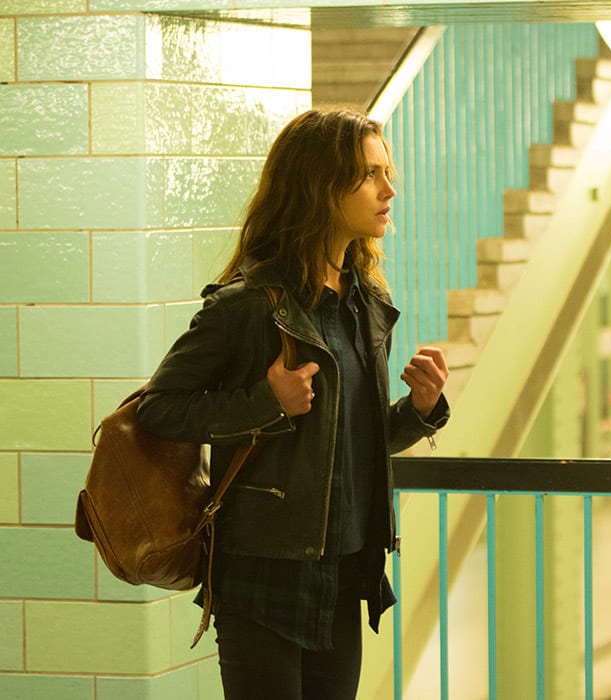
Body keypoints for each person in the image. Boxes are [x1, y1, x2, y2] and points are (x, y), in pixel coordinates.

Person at [137, 108, 450, 699]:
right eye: (370, 175)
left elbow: (350, 443)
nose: (389, 190)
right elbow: (159, 408)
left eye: (387, 172)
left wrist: (419, 409)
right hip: (263, 576)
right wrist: (267, 401)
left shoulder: (365, 302)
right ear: (319, 186)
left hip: (345, 573)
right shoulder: (248, 305)